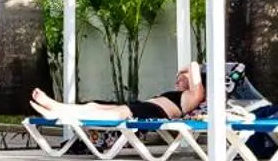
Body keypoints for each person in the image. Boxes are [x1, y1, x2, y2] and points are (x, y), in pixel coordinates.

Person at [29, 62, 206, 123]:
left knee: (118, 114)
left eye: (182, 77)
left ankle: (61, 116)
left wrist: (189, 69)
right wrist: (186, 72)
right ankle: (55, 107)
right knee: (94, 106)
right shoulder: (177, 94)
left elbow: (195, 65)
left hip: (156, 112)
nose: (178, 79)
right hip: (145, 106)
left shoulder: (193, 96)